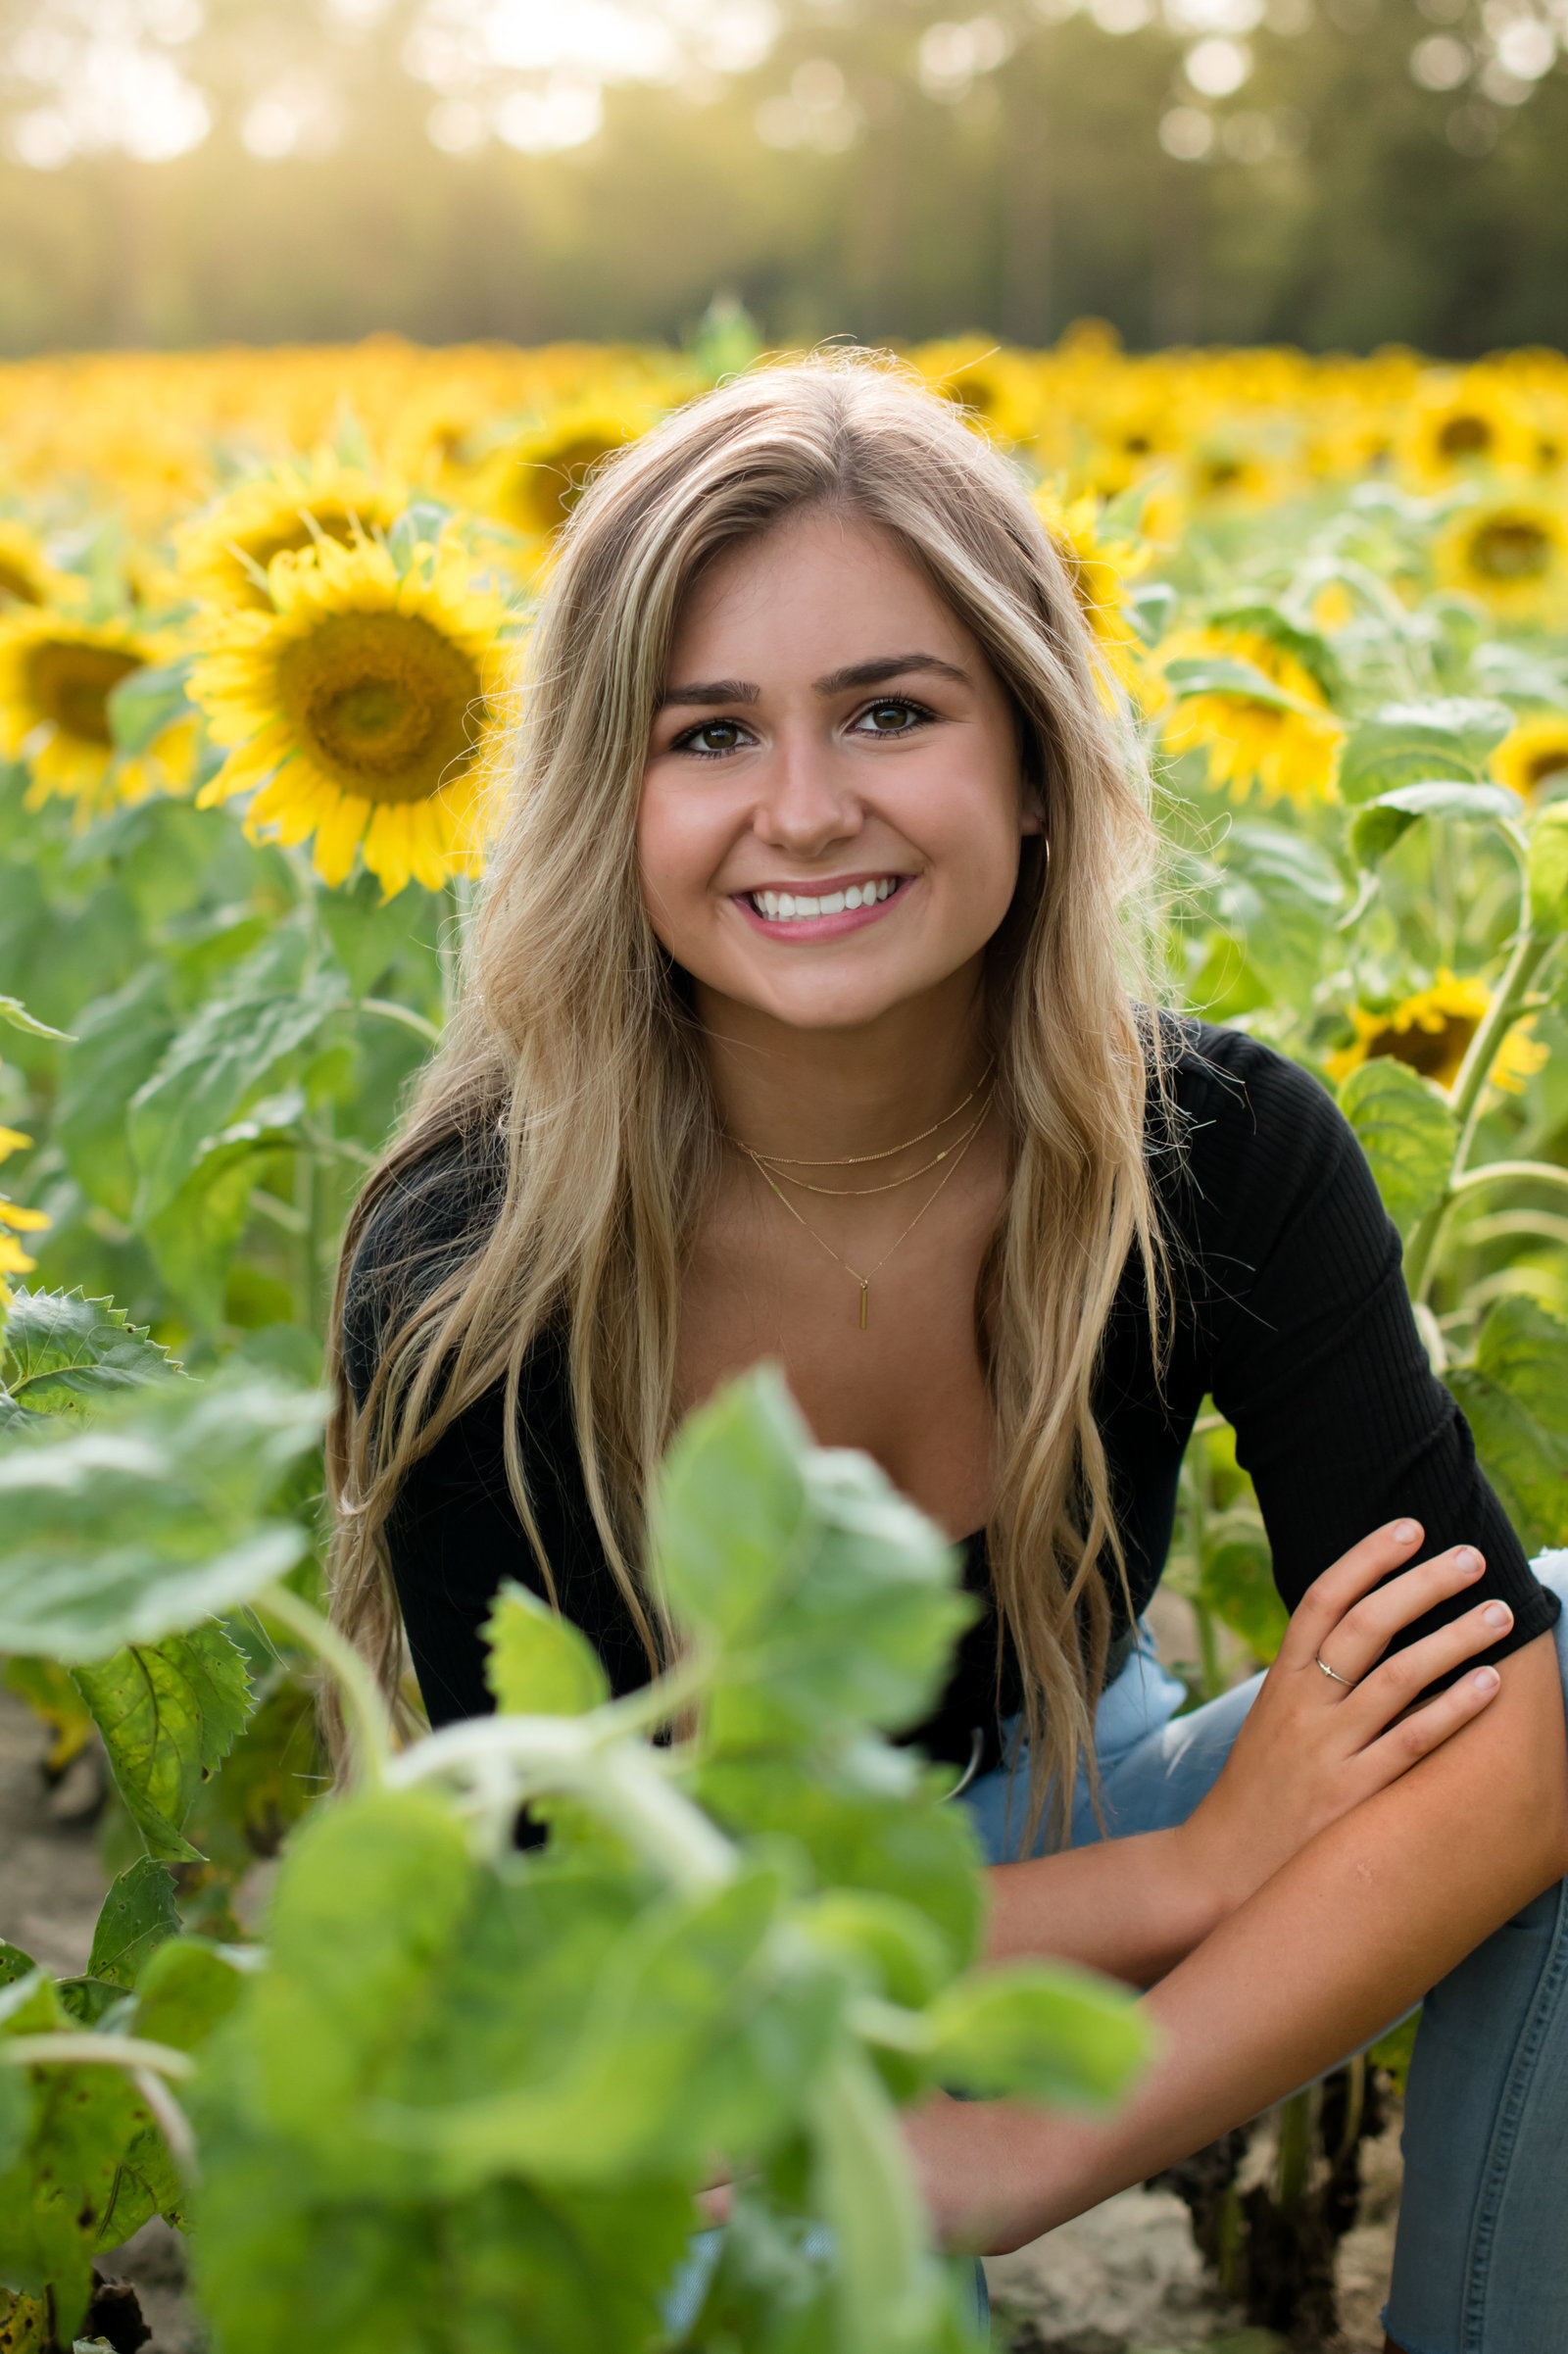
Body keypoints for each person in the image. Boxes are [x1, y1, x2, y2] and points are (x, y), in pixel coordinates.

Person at [328, 357, 1568, 2354]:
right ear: (605, 795)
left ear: (1026, 755)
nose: (803, 808)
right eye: (707, 731)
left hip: (1060, 1799)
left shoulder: (1208, 1155)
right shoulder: (482, 1267)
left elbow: (1506, 1719)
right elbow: (585, 1928)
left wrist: (1033, 2146)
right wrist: (1191, 1878)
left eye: (890, 711)